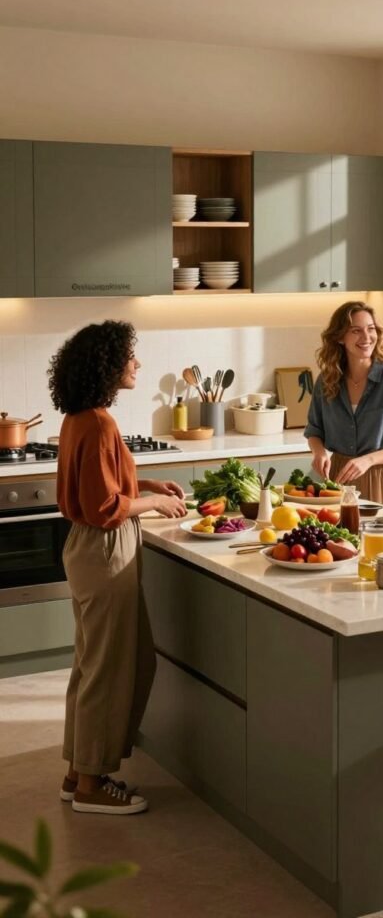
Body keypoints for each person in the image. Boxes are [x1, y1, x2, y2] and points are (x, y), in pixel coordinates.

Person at [48, 320, 188, 815]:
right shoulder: (100, 423)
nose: (137, 363)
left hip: (88, 549)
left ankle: (76, 772)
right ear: (108, 364)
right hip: (105, 549)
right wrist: (153, 507)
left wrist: (145, 486)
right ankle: (91, 784)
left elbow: (100, 487)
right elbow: (106, 506)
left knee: (92, 667)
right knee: (112, 671)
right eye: (130, 355)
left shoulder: (81, 418)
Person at [304, 301, 383, 508]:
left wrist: (368, 460)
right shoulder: (327, 379)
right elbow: (314, 430)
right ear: (340, 337)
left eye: (371, 329)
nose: (366, 338)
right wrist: (319, 452)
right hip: (339, 479)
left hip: (380, 478)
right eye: (356, 331)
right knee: (338, 540)